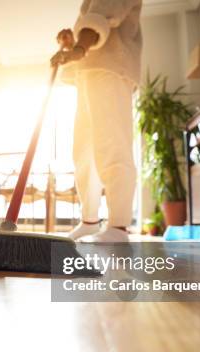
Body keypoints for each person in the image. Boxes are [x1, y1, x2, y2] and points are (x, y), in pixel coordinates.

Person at [51, 0, 142, 242]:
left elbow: (104, 14)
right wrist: (73, 44)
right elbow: (93, 23)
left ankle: (118, 226)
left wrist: (79, 48)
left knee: (112, 143)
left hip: (110, 67)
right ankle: (90, 221)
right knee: (84, 151)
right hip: (90, 72)